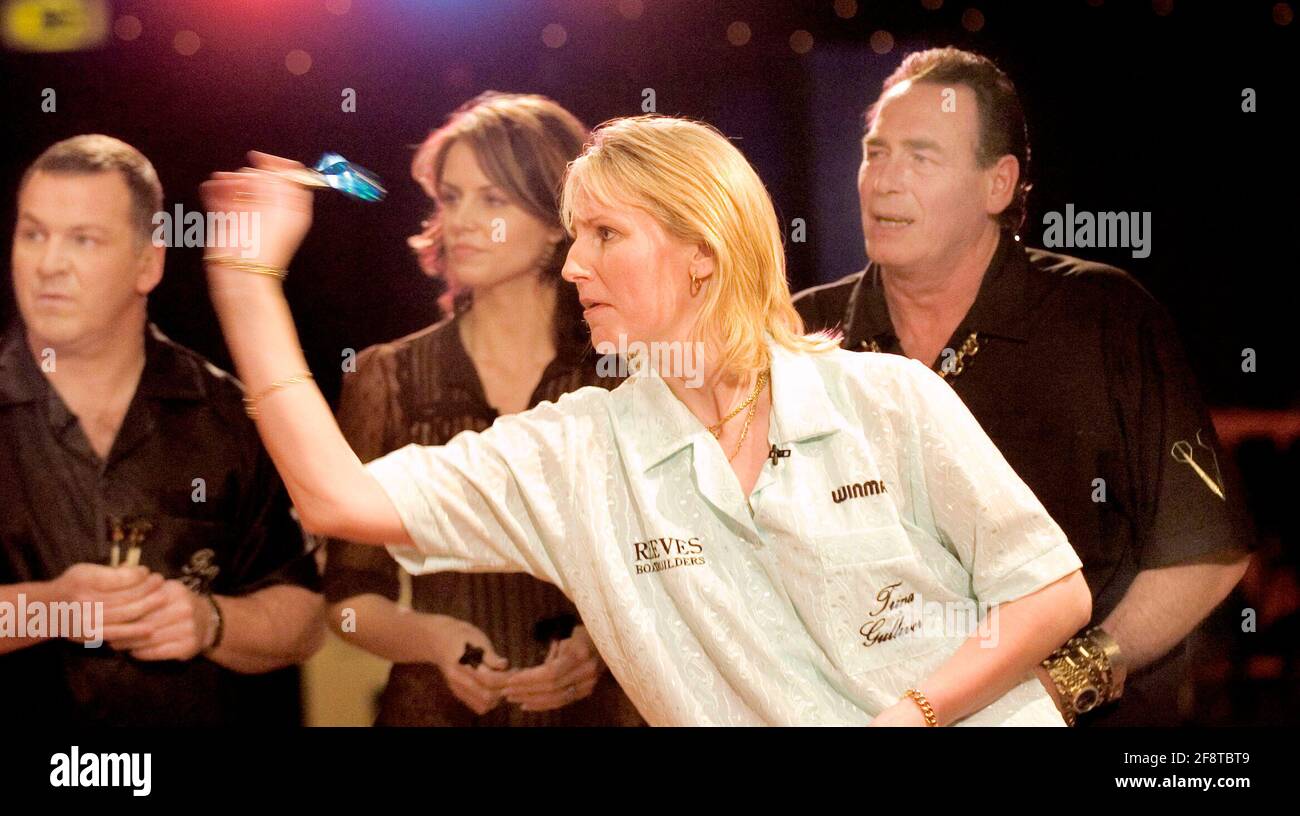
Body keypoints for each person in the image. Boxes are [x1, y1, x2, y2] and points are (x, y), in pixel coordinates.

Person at [199, 115, 1092, 726]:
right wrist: (247, 284)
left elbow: (1051, 592)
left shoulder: (889, 399)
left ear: (703, 251)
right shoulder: (579, 449)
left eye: (606, 236)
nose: (575, 265)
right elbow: (334, 498)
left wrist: (914, 713)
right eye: (573, 237)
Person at [793, 47, 1255, 725]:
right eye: (876, 151)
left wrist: (1062, 685)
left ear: (998, 185)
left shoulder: (1104, 317)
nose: (884, 181)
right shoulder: (800, 332)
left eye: (921, 157)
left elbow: (1208, 549)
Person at [323, 92, 641, 726]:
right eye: (450, 197)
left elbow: (679, 561)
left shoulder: (623, 373)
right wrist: (435, 641)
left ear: (558, 219)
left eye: (492, 199)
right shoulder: (388, 377)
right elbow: (348, 597)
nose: (461, 220)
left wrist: (604, 645)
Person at [0, 135, 324, 726]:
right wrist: (46, 609)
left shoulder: (229, 414)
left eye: (83, 238)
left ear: (149, 262)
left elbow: (305, 621)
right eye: (33, 234)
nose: (49, 262)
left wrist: (210, 623)